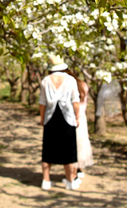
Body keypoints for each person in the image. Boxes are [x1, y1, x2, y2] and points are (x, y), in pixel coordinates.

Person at [39, 55, 81, 191]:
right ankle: (70, 180)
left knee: (48, 148)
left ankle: (46, 180)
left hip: (50, 117)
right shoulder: (70, 80)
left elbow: (42, 102)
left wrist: (42, 118)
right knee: (69, 149)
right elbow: (75, 101)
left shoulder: (45, 80)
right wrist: (77, 117)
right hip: (67, 117)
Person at [66, 69, 94, 178]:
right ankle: (79, 169)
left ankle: (72, 172)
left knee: (72, 145)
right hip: (82, 118)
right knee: (81, 143)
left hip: (71, 118)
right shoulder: (83, 85)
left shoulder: (68, 86)